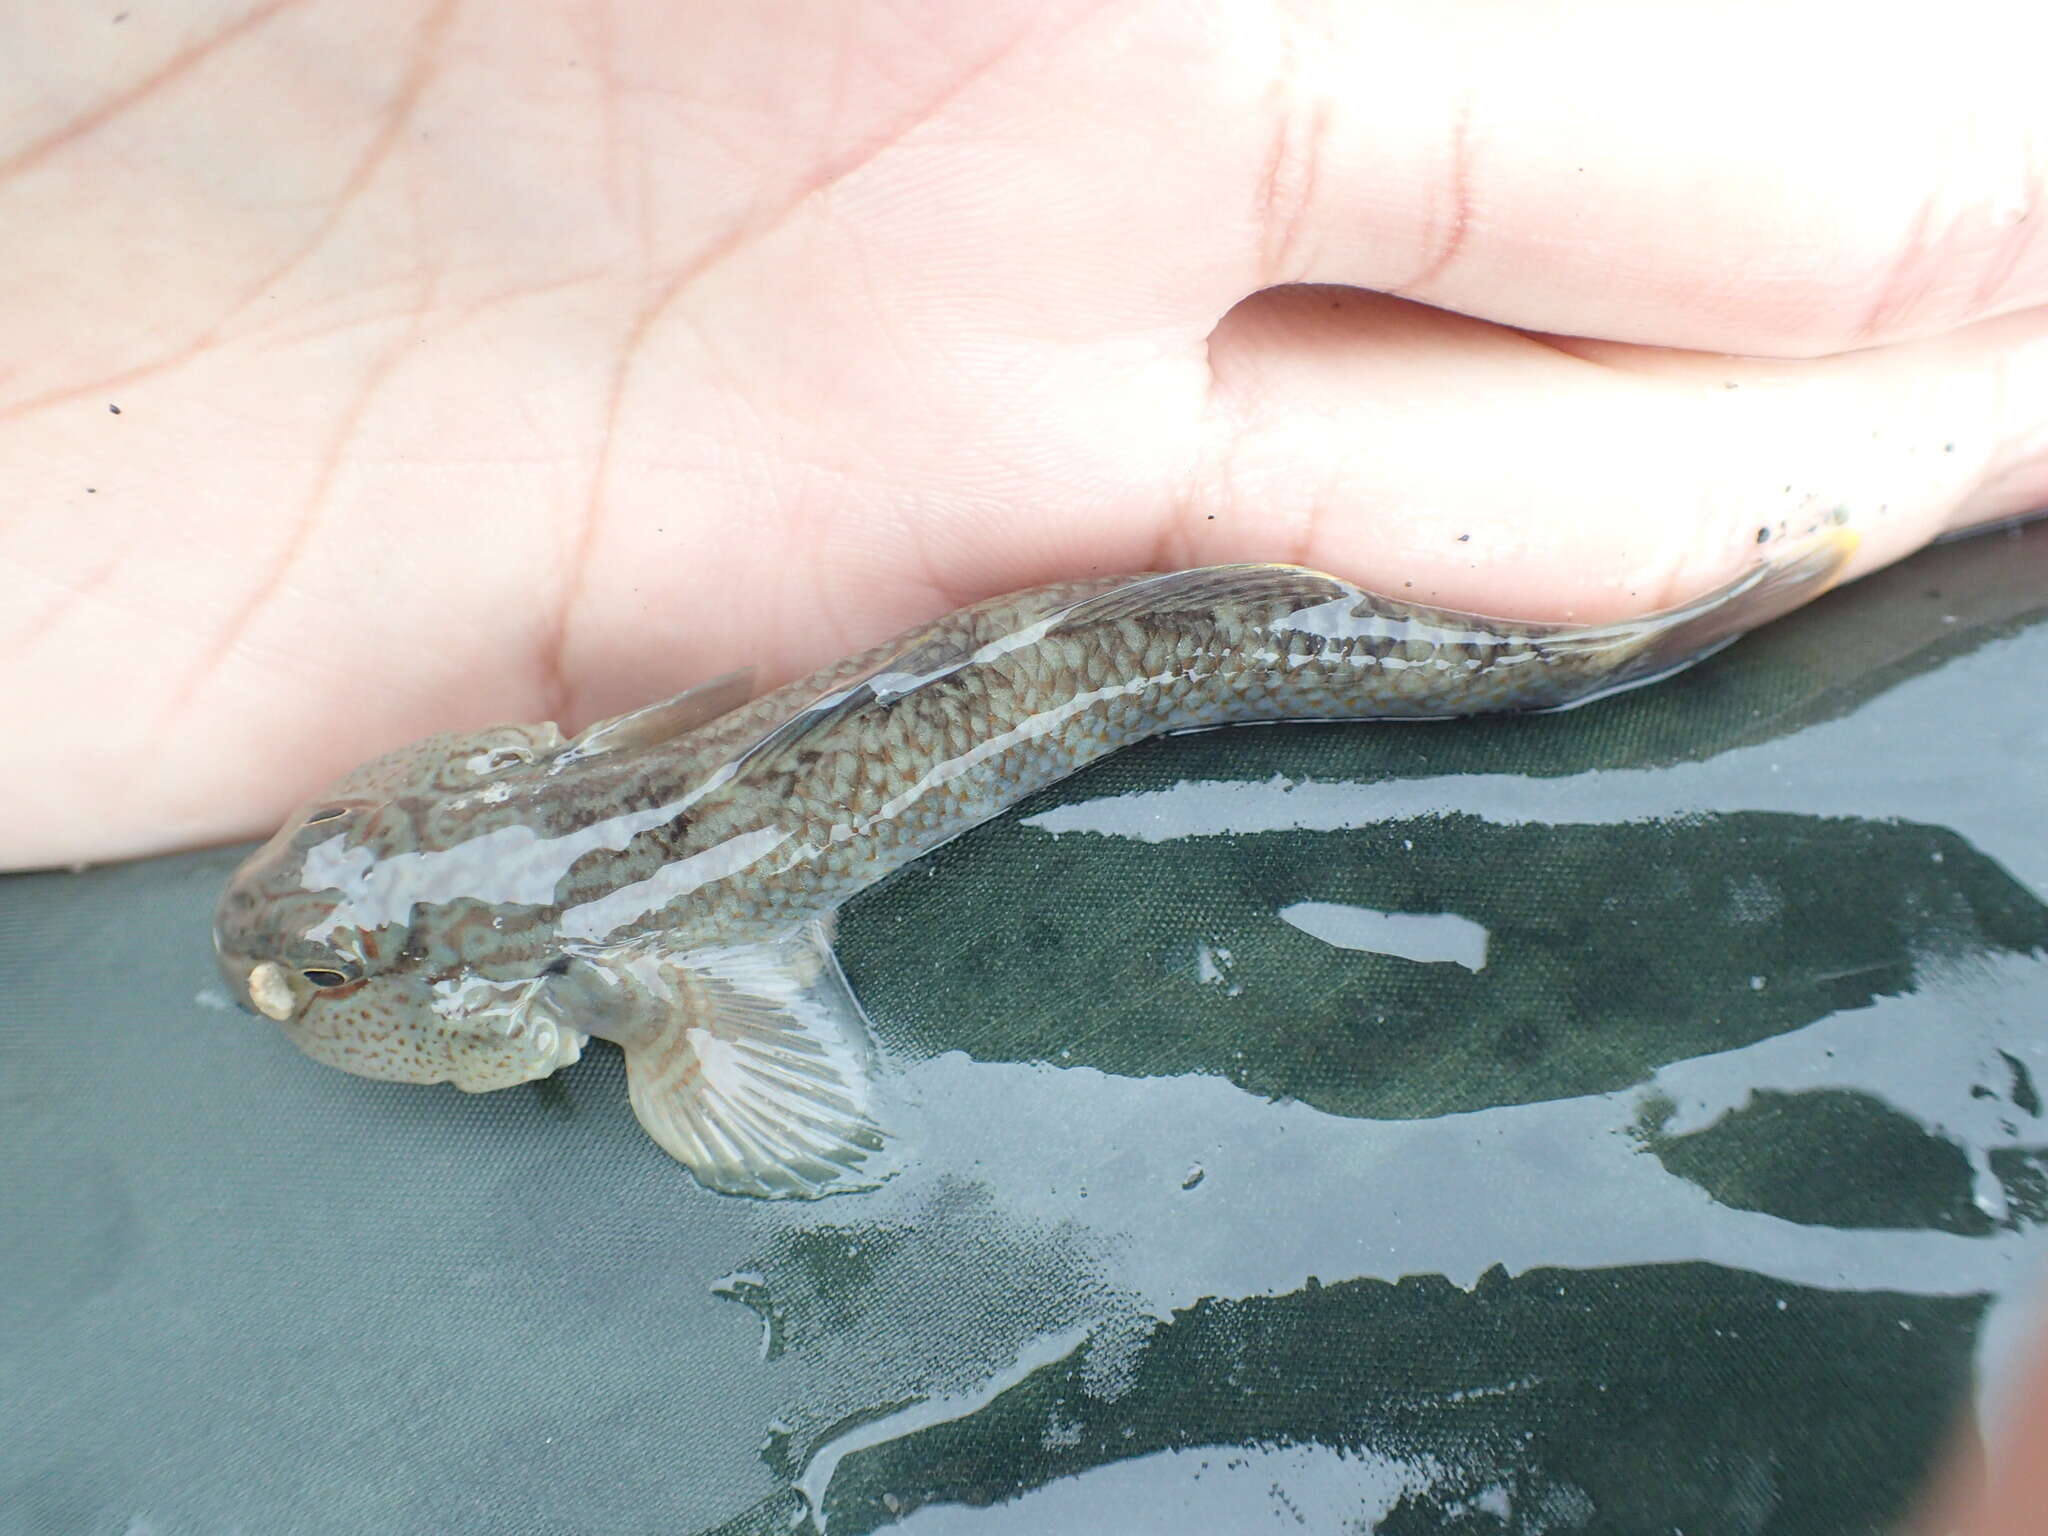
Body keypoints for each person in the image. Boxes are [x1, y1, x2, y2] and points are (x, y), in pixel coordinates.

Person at [0, 4, 2041, 1524]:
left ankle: (1660, 623)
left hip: (1195, 648)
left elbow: (777, 1142)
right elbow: (770, 1108)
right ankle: (1673, 613)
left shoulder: (671, 932)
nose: (301, 926)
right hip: (1046, 662)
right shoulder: (661, 883)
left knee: (1378, 630)